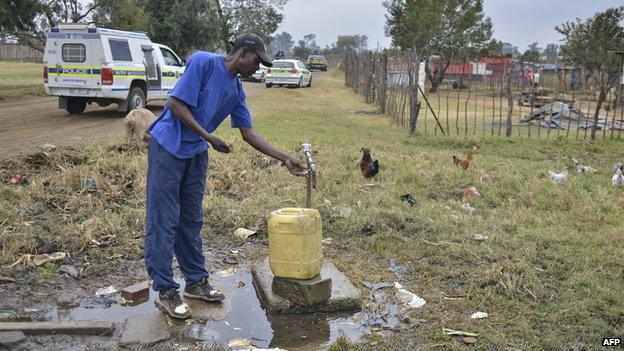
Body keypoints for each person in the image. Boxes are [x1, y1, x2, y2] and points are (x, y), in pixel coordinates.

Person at [145, 33, 307, 319]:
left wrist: (284, 158)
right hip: (169, 146)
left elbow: (249, 133)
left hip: (195, 153)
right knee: (164, 218)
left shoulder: (236, 90)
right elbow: (175, 104)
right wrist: (209, 136)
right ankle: (166, 290)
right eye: (257, 61)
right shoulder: (203, 62)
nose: (259, 68)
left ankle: (195, 282)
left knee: (191, 219)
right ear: (243, 53)